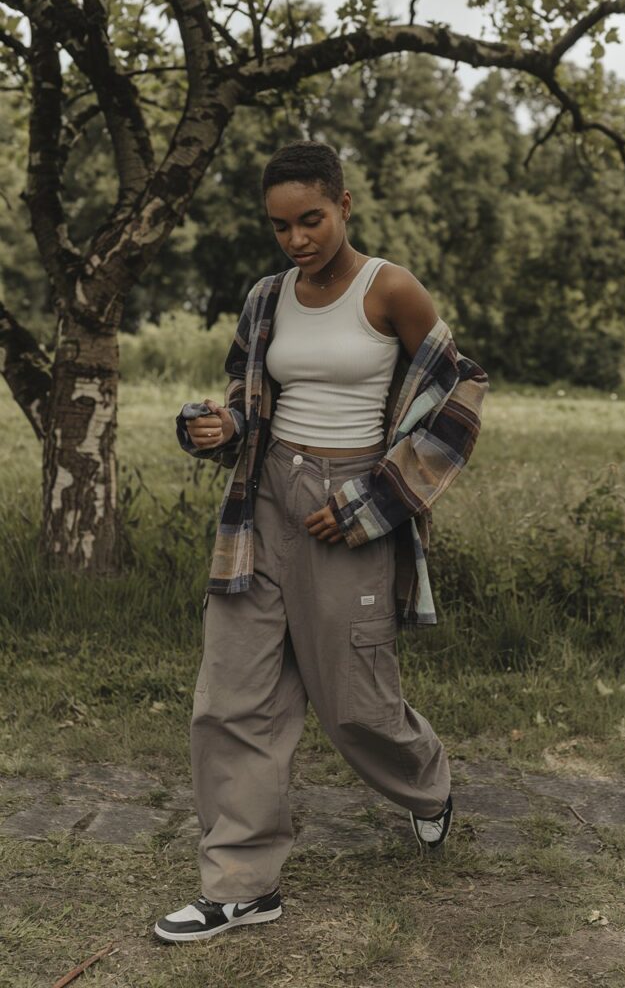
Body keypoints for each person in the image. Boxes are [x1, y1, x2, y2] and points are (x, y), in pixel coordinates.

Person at [154, 140, 488, 943]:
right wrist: (218, 426)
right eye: (281, 227)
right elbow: (248, 396)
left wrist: (376, 499)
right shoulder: (268, 296)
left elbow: (460, 393)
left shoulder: (390, 289)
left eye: (311, 219)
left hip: (348, 512)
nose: (298, 240)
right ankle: (242, 882)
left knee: (354, 703)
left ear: (344, 204)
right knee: (232, 694)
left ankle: (427, 784)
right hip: (261, 503)